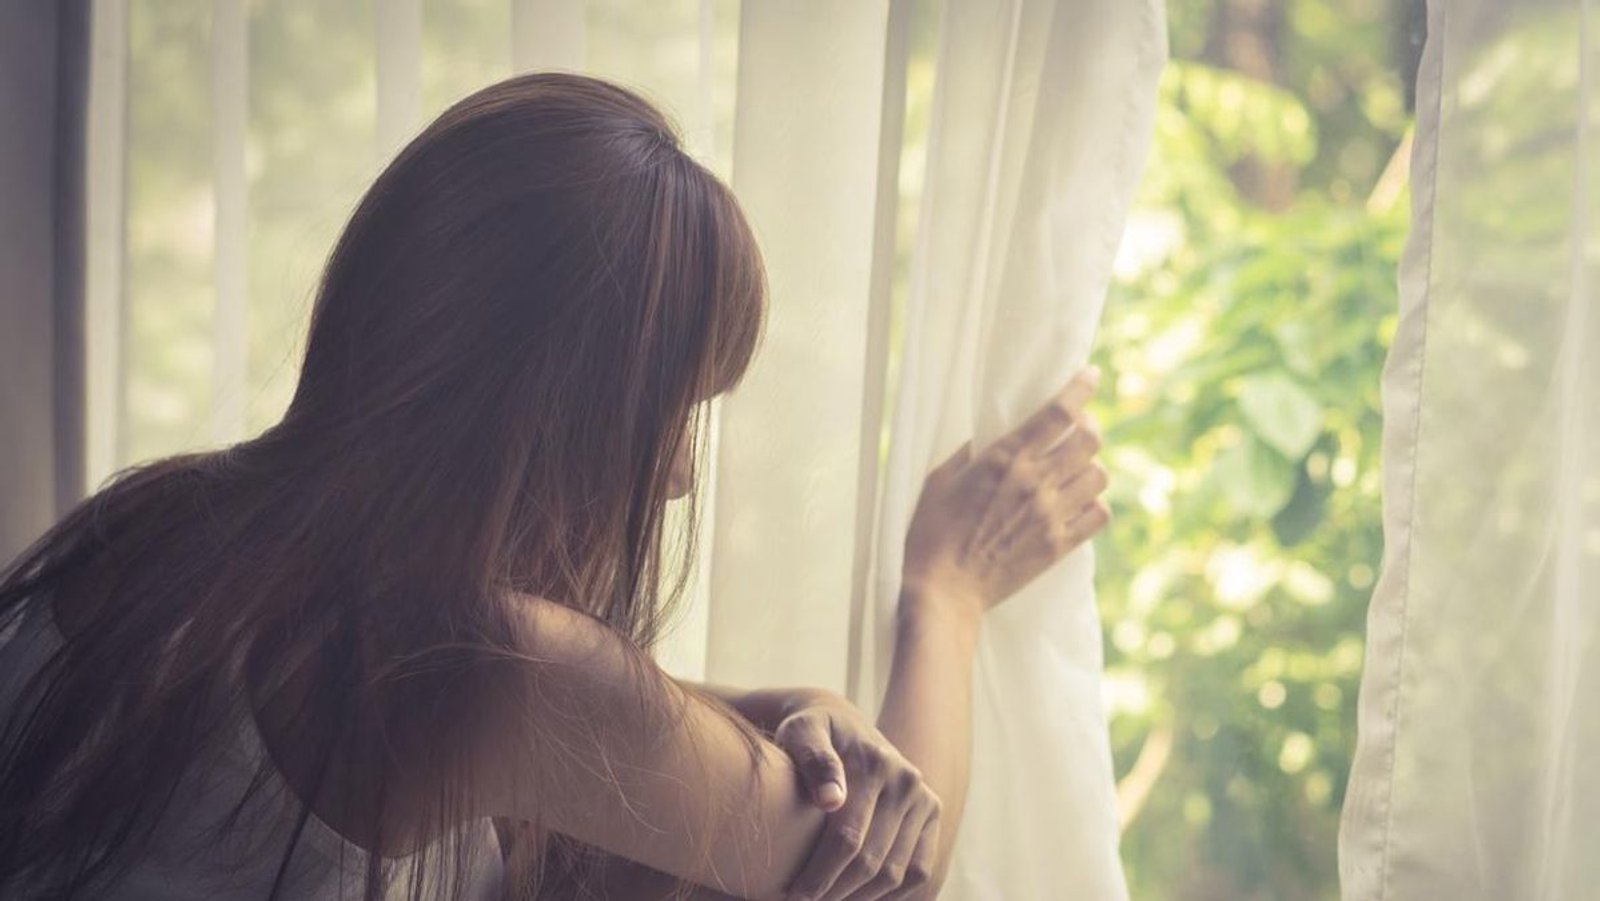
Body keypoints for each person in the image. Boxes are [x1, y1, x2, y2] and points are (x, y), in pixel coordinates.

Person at [0, 72, 1111, 901]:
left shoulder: (149, 527)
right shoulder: (479, 663)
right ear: (544, 412)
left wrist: (786, 708)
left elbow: (601, 737)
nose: (675, 476)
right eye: (666, 415)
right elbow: (883, 880)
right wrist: (947, 596)